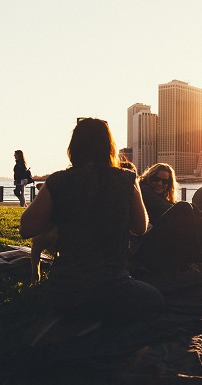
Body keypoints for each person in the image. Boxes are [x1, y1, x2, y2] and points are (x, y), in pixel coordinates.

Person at [19, 118, 164, 327]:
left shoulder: (57, 181)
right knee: (156, 300)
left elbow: (26, 228)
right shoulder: (127, 179)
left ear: (73, 147)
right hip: (113, 288)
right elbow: (140, 228)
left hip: (65, 291)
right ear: (109, 147)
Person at [130, 163, 202, 274]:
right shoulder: (145, 192)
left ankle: (200, 260)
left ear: (169, 184)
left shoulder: (159, 196)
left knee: (194, 208)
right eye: (156, 179)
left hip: (154, 241)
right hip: (143, 246)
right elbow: (170, 208)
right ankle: (198, 260)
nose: (159, 183)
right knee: (184, 207)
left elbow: (171, 206)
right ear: (149, 178)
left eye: (165, 181)